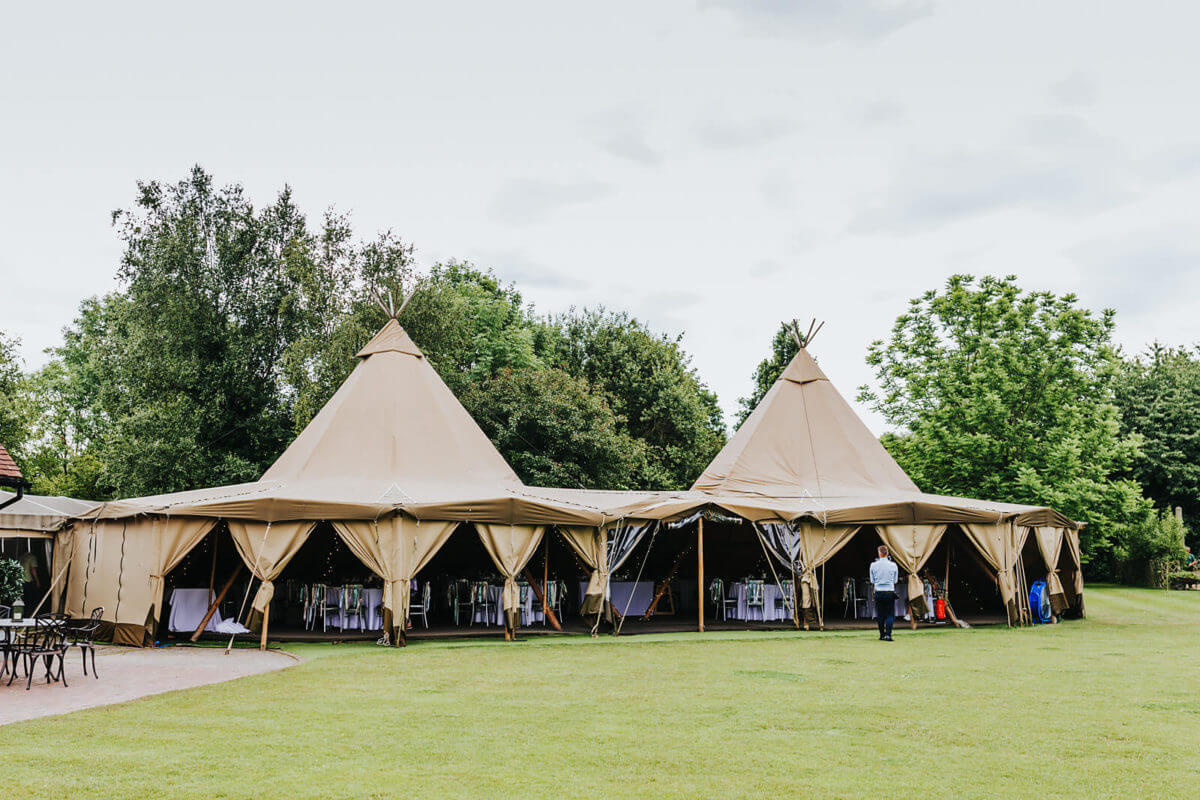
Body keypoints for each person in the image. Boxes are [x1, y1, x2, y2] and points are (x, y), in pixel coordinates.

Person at [870, 544, 899, 641]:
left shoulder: (873, 565)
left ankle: (882, 634)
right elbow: (895, 581)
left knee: (880, 614)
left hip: (879, 591)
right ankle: (888, 634)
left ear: (879, 553)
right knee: (890, 614)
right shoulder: (893, 565)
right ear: (887, 553)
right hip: (889, 591)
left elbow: (872, 581)